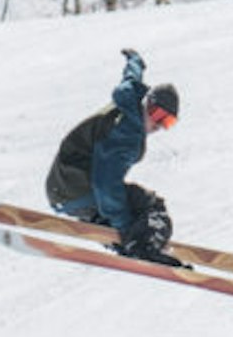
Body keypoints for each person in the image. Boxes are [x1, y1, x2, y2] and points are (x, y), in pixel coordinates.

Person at [45, 49, 184, 266]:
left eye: (167, 122)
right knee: (151, 207)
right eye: (157, 115)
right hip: (77, 187)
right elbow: (106, 183)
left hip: (62, 187)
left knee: (123, 206)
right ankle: (141, 246)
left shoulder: (129, 100)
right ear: (147, 104)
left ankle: (122, 238)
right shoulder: (128, 132)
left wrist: (136, 63)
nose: (158, 125)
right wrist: (125, 225)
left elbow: (131, 79)